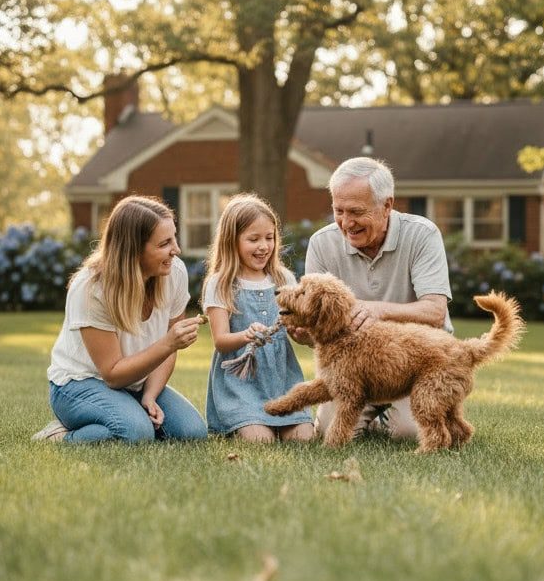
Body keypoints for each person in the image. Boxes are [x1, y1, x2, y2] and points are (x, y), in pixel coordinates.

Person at [299, 156, 453, 441]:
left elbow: (435, 312)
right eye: (339, 210)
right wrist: (303, 333)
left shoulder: (422, 235)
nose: (347, 223)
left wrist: (377, 310)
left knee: (408, 432)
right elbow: (318, 333)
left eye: (357, 212)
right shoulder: (322, 244)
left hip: (413, 367)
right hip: (352, 369)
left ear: (387, 206)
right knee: (325, 433)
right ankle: (367, 413)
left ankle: (393, 416)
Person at [32, 195, 207, 443]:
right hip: (80, 384)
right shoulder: (91, 289)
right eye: (164, 243)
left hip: (136, 383)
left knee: (192, 433)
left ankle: (129, 413)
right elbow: (112, 374)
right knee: (136, 433)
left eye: (174, 238)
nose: (176, 250)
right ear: (134, 249)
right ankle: (60, 435)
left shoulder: (174, 272)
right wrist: (168, 343)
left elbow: (168, 352)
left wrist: (150, 395)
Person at [202, 194, 316, 443]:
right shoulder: (220, 284)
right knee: (259, 440)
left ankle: (282, 422)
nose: (264, 246)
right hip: (241, 385)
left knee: (304, 438)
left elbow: (297, 329)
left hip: (282, 381)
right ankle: (243, 421)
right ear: (232, 242)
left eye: (269, 237)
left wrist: (302, 334)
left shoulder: (283, 278)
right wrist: (246, 336)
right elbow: (220, 341)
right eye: (253, 239)